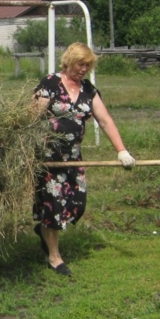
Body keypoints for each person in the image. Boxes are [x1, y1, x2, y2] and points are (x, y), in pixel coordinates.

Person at [33, 42, 135, 276]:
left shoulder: (88, 89)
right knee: (53, 207)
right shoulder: (50, 83)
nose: (84, 69)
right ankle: (54, 257)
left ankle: (44, 231)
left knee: (77, 204)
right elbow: (32, 116)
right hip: (48, 158)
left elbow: (106, 121)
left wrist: (121, 150)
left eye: (88, 65)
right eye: (81, 64)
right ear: (69, 61)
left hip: (73, 158)